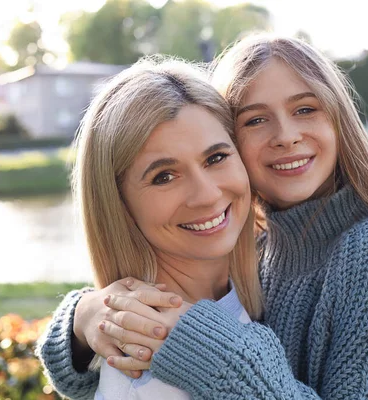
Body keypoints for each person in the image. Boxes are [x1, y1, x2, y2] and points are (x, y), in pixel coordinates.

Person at [37, 33, 368, 399]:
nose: (286, 135)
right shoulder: (253, 246)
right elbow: (82, 377)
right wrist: (82, 317)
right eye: (255, 119)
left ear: (340, 119)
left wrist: (211, 350)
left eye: (306, 109)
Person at [36, 56, 263, 399]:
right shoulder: (144, 372)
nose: (207, 194)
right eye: (164, 176)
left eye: (215, 158)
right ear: (118, 203)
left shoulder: (258, 282)